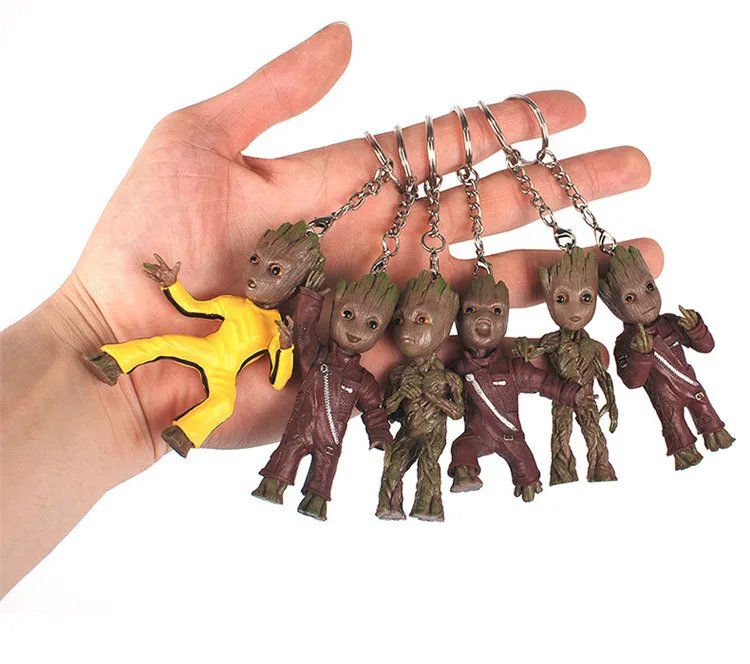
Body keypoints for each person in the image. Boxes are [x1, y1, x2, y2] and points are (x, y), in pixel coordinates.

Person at [0, 22, 658, 596]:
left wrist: (394, 410)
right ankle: (146, 380)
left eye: (383, 325)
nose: (257, 279)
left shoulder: (354, 344)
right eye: (261, 267)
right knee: (200, 375)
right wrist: (137, 311)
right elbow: (244, 331)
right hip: (278, 388)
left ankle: (484, 478)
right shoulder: (273, 318)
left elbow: (346, 378)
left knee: (394, 453)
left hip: (408, 420)